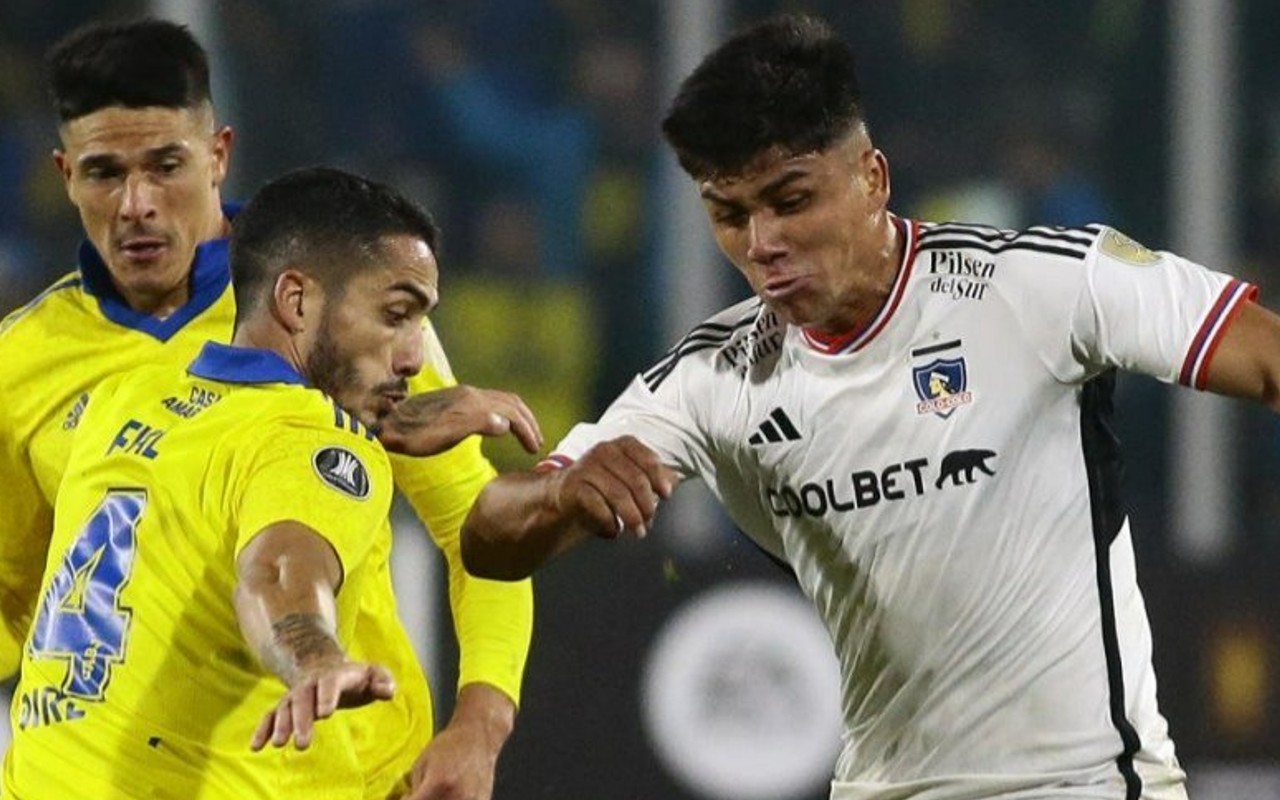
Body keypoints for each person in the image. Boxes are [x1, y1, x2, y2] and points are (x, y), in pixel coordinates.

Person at [454, 14, 1280, 800]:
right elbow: (491, 539)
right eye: (729, 214)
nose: (761, 243)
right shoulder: (714, 377)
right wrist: (562, 490)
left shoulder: (1040, 287)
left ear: (871, 178)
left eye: (791, 199)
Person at [0, 19, 537, 799]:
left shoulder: (336, 308)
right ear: (64, 174)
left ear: (219, 154)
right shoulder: (22, 363)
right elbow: (17, 596)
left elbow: (479, 533)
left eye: (166, 165)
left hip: (345, 772)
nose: (137, 204)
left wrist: (479, 725)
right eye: (104, 172)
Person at [8, 165, 432, 797]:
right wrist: (315, 656)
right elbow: (278, 573)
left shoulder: (121, 398)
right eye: (395, 314)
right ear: (296, 302)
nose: (416, 357)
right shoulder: (312, 442)